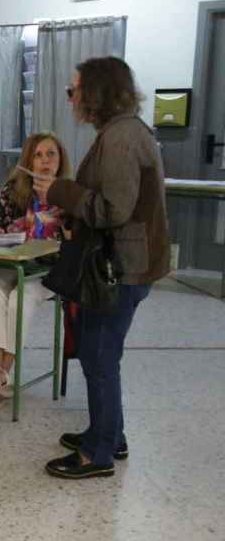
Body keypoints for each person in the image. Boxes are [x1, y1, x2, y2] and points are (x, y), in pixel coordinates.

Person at [34, 57, 169, 479]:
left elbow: (113, 209)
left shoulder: (121, 139)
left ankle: (98, 453)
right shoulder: (123, 131)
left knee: (98, 355)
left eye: (74, 90)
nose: (71, 98)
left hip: (123, 266)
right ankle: (110, 434)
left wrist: (60, 190)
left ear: (95, 93)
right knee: (102, 353)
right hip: (130, 262)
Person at [0, 132, 71, 413]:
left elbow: (78, 239)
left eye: (51, 154)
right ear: (29, 162)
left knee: (18, 299)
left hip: (51, 271)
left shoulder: (70, 193)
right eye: (38, 155)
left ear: (60, 161)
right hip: (14, 264)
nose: (45, 161)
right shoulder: (15, 191)